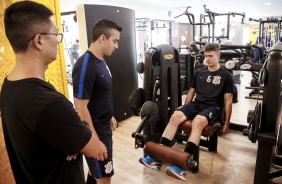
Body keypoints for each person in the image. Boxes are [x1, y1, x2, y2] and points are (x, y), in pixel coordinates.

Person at [1, 1, 107, 183]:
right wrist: (79, 134)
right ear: (39, 40)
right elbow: (96, 149)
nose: (59, 41)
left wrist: (73, 136)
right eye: (57, 35)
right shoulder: (50, 103)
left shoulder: (8, 85)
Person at [140, 42, 234, 181]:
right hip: (197, 104)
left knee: (198, 121)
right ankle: (157, 158)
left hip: (213, 108)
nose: (207, 59)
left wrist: (226, 123)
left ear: (218, 55)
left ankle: (182, 167)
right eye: (205, 56)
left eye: (210, 56)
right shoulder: (199, 72)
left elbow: (228, 101)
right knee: (176, 115)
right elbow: (190, 94)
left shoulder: (226, 75)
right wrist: (184, 110)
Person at [72, 19, 122, 184]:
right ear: (102, 38)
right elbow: (80, 107)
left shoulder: (101, 60)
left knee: (97, 173)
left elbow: (100, 94)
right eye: (114, 41)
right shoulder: (85, 65)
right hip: (96, 131)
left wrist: (109, 116)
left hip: (103, 128)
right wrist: (94, 139)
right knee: (105, 177)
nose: (116, 46)